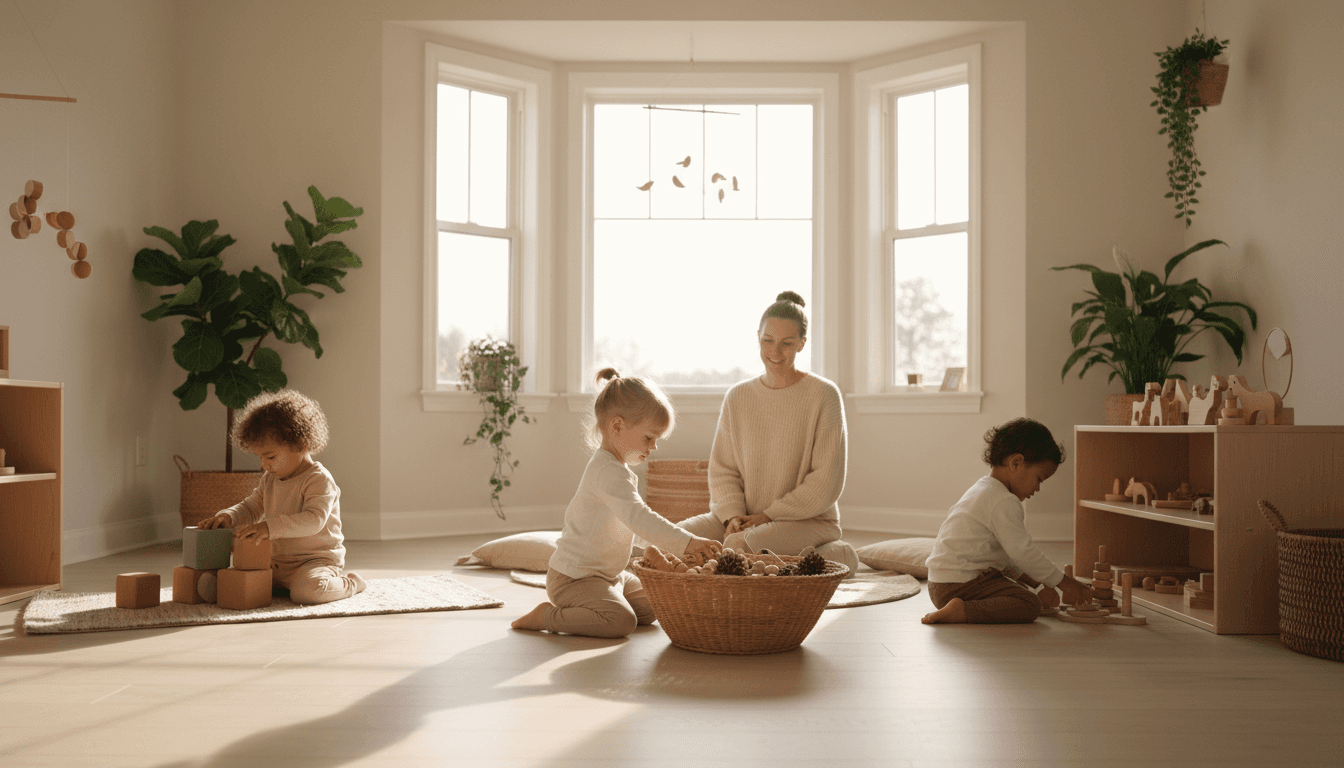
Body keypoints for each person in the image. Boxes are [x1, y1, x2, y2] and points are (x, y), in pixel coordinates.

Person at [512, 369, 721, 638]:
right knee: (620, 621)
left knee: (656, 605)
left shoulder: (618, 471)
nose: (654, 447)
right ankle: (547, 616)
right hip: (574, 579)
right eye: (649, 437)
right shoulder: (606, 472)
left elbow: (632, 528)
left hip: (610, 577)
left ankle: (603, 602)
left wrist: (670, 551)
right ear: (617, 426)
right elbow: (639, 518)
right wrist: (687, 541)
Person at [676, 291, 858, 571]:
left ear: (802, 344)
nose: (775, 351)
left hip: (807, 521)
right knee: (671, 539)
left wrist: (768, 515)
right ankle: (819, 559)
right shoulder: (737, 397)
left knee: (736, 549)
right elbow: (723, 469)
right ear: (757, 337)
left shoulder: (824, 395)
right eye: (767, 341)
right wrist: (732, 516)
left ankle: (837, 556)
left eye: (787, 343)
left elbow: (826, 480)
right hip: (743, 520)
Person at [197, 389, 366, 605]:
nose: (264, 465)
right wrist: (229, 516)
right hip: (274, 563)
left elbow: (314, 520)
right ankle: (225, 589)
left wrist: (269, 527)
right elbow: (252, 506)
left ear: (300, 444)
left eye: (270, 456)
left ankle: (351, 583)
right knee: (241, 577)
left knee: (307, 592)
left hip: (313, 563)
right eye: (260, 457)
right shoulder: (270, 479)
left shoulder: (319, 480)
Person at [921, 417, 1091, 624]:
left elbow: (1001, 555)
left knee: (1019, 590)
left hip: (940, 584)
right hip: (959, 585)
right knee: (1029, 604)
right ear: (1016, 463)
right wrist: (1064, 582)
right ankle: (963, 611)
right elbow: (1022, 552)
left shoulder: (984, 489)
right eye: (1039, 478)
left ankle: (960, 607)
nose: (1037, 489)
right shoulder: (1004, 501)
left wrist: (1033, 580)